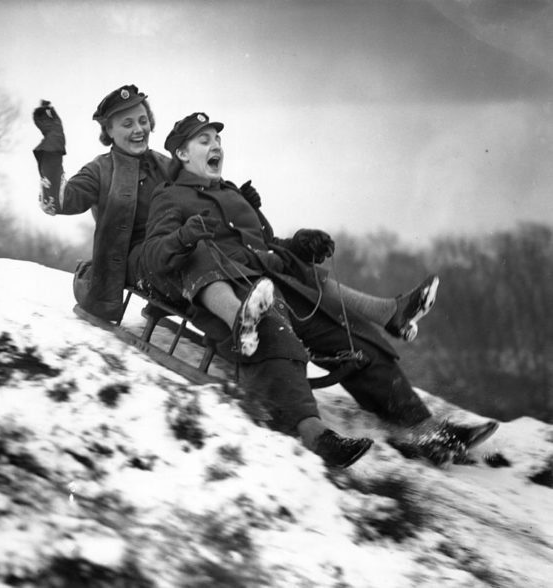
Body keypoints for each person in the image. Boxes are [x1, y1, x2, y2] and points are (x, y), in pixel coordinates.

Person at [139, 112, 498, 468]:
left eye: (218, 140)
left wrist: (299, 244)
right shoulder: (170, 198)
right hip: (229, 291)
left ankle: (427, 431)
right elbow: (154, 254)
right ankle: (314, 435)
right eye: (204, 141)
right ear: (183, 155)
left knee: (354, 338)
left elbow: (265, 243)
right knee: (276, 335)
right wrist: (186, 237)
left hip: (275, 282)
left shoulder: (233, 194)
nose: (216, 146)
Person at [33, 85, 172, 321]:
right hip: (129, 265)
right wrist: (53, 145)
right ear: (109, 130)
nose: (139, 130)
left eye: (142, 120)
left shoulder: (166, 165)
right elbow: (56, 203)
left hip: (171, 252)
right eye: (127, 124)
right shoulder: (100, 170)